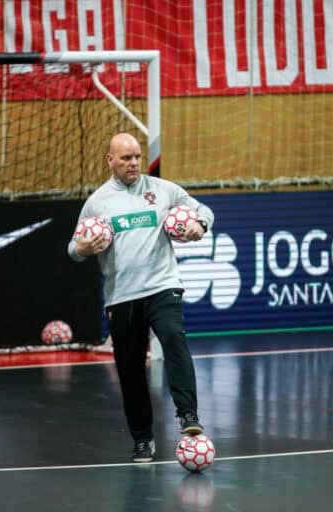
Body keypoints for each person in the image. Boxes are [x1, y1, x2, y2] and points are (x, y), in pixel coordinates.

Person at [68, 133, 214, 463]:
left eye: (137, 157)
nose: (134, 163)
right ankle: (142, 438)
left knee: (174, 339)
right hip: (121, 296)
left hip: (162, 286)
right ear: (110, 160)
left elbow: (203, 210)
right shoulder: (97, 202)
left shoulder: (164, 190)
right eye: (126, 158)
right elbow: (73, 249)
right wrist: (81, 248)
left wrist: (200, 225)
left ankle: (188, 416)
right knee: (130, 368)